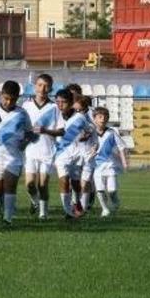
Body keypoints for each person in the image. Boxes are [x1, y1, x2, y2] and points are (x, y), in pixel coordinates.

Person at [0, 80, 33, 226]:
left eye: (12, 99)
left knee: (10, 185)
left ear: (17, 98)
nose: (8, 102)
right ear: (1, 95)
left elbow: (30, 132)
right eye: (6, 98)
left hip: (14, 157)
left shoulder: (22, 113)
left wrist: (25, 142)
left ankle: (8, 218)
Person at [52, 89, 94, 220]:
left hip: (77, 154)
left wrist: (86, 135)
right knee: (64, 181)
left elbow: (90, 129)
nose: (60, 105)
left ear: (71, 103)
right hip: (61, 154)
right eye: (57, 102)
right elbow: (59, 131)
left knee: (76, 184)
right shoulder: (55, 114)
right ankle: (69, 212)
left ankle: (77, 204)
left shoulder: (79, 117)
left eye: (63, 102)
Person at [23, 73, 58, 220]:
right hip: (30, 150)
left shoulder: (54, 107)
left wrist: (46, 131)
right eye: (39, 85)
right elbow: (22, 127)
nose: (42, 89)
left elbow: (61, 131)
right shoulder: (26, 105)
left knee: (43, 184)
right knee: (30, 184)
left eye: (46, 86)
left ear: (50, 88)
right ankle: (35, 201)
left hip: (47, 151)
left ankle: (43, 213)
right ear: (34, 86)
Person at [91, 107, 129, 217]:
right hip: (96, 166)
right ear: (94, 119)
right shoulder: (91, 133)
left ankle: (114, 199)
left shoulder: (112, 132)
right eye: (100, 117)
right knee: (100, 190)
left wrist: (124, 162)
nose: (102, 119)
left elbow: (121, 147)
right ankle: (105, 209)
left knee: (112, 190)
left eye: (105, 117)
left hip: (110, 166)